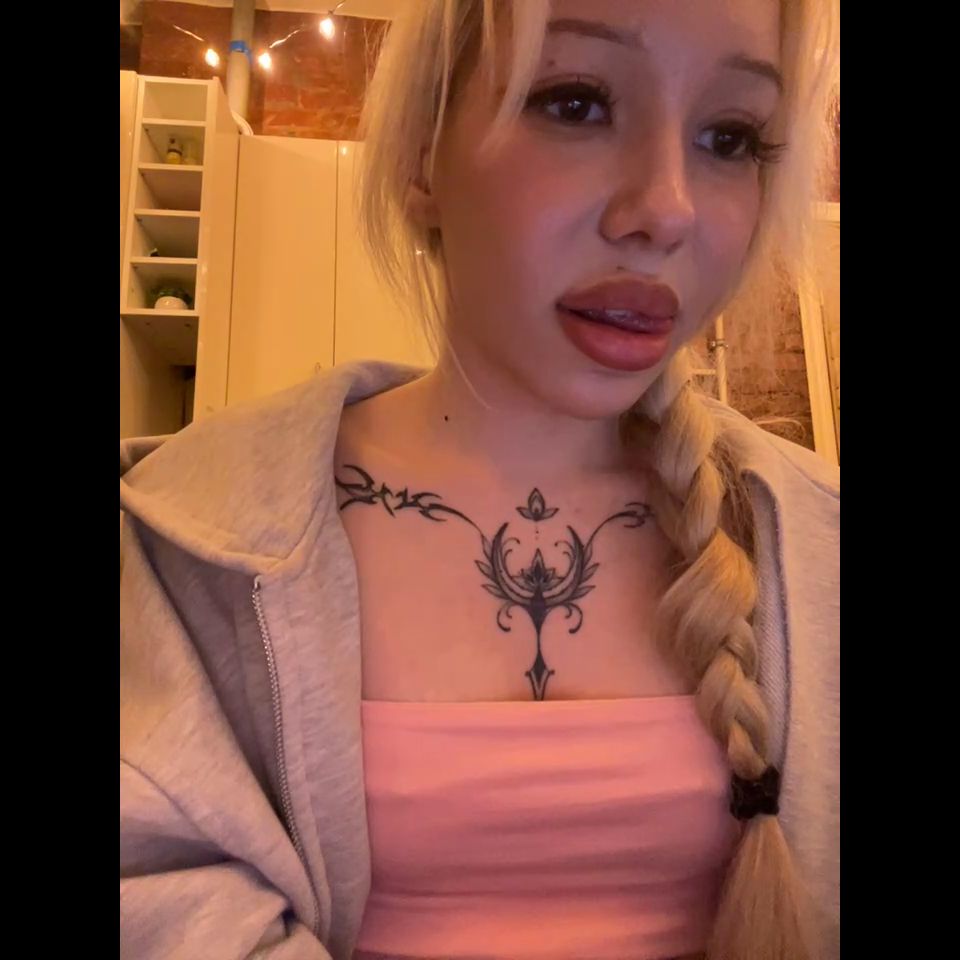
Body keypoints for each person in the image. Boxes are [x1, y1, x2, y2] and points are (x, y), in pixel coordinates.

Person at [119, 1, 839, 958]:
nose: (669, 209)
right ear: (423, 154)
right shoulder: (188, 541)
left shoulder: (818, 548)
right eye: (577, 103)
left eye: (731, 137)